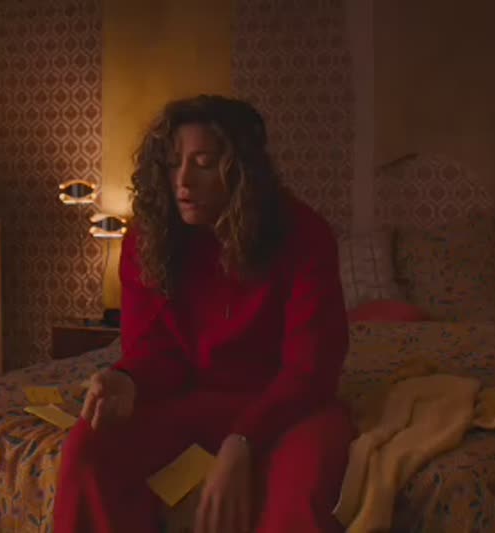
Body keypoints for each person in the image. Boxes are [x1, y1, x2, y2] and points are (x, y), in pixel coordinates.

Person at [53, 95, 353, 533]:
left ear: (241, 171)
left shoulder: (304, 234)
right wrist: (127, 379)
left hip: (284, 405)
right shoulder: (148, 240)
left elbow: (311, 371)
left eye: (204, 163)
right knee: (89, 445)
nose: (184, 181)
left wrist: (243, 440)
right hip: (187, 400)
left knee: (304, 486)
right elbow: (156, 351)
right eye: (174, 163)